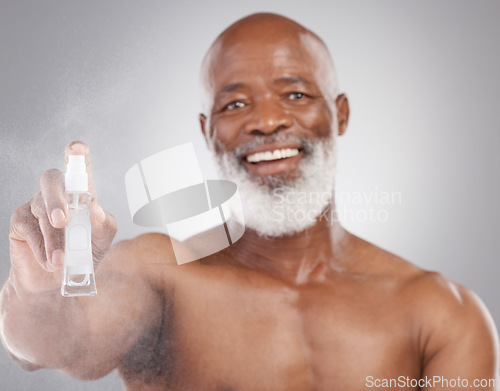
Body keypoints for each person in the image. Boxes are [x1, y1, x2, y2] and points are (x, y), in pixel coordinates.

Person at [1, 12, 498, 391]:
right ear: (207, 131)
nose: (266, 122)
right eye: (235, 104)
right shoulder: (161, 276)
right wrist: (42, 295)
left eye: (296, 95)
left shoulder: (441, 315)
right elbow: (57, 341)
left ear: (340, 114)